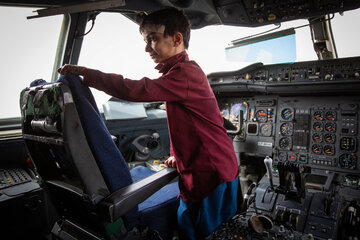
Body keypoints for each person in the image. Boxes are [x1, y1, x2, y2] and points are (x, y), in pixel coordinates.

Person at [58, 7, 239, 239]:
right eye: (145, 41)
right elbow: (185, 126)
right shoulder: (176, 74)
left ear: (176, 39)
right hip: (194, 169)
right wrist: (176, 154)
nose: (146, 48)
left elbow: (137, 89)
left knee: (208, 231)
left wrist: (88, 74)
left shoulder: (186, 73)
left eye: (152, 39)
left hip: (212, 172)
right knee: (188, 224)